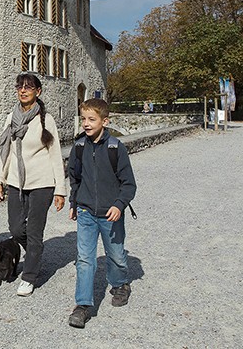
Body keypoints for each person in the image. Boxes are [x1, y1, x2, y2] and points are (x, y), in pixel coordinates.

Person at [0, 73, 67, 297]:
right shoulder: (11, 118)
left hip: (41, 183)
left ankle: (29, 276)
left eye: (28, 87)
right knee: (15, 228)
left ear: (38, 91)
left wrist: (60, 190)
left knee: (34, 231)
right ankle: (36, 252)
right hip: (16, 181)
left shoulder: (46, 120)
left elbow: (55, 156)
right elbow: (4, 152)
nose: (23, 91)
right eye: (20, 87)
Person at [67, 98, 137, 328]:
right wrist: (74, 203)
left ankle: (120, 283)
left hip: (111, 213)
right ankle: (83, 305)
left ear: (105, 121)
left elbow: (129, 184)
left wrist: (119, 205)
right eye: (84, 119)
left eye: (91, 119)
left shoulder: (116, 148)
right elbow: (75, 179)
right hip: (86, 212)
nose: (86, 124)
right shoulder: (78, 147)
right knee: (85, 259)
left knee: (115, 255)